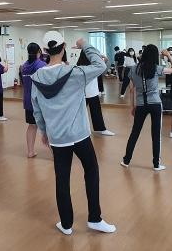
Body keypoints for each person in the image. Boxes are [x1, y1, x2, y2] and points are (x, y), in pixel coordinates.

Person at [32, 31, 116, 236]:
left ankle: (66, 224)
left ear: (45, 51)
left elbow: (37, 110)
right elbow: (100, 65)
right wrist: (85, 44)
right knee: (91, 171)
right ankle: (95, 219)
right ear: (63, 48)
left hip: (57, 138)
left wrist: (44, 132)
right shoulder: (75, 73)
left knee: (62, 179)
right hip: (79, 135)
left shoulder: (36, 78)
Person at [121, 45, 172, 171]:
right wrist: (168, 56)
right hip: (155, 104)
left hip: (141, 105)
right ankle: (156, 164)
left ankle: (126, 160)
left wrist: (133, 106)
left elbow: (131, 90)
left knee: (135, 133)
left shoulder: (133, 69)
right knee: (156, 135)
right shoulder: (156, 68)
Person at [76, 50, 115, 137]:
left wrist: (99, 55)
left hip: (91, 92)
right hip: (84, 93)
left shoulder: (92, 66)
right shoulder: (86, 67)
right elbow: (105, 61)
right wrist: (100, 56)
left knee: (94, 112)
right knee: (81, 113)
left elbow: (105, 62)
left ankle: (101, 129)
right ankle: (82, 130)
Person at [21, 43, 47, 158]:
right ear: (39, 52)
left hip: (28, 101)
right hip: (41, 101)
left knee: (32, 125)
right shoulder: (42, 65)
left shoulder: (24, 66)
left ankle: (30, 152)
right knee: (49, 127)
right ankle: (55, 154)